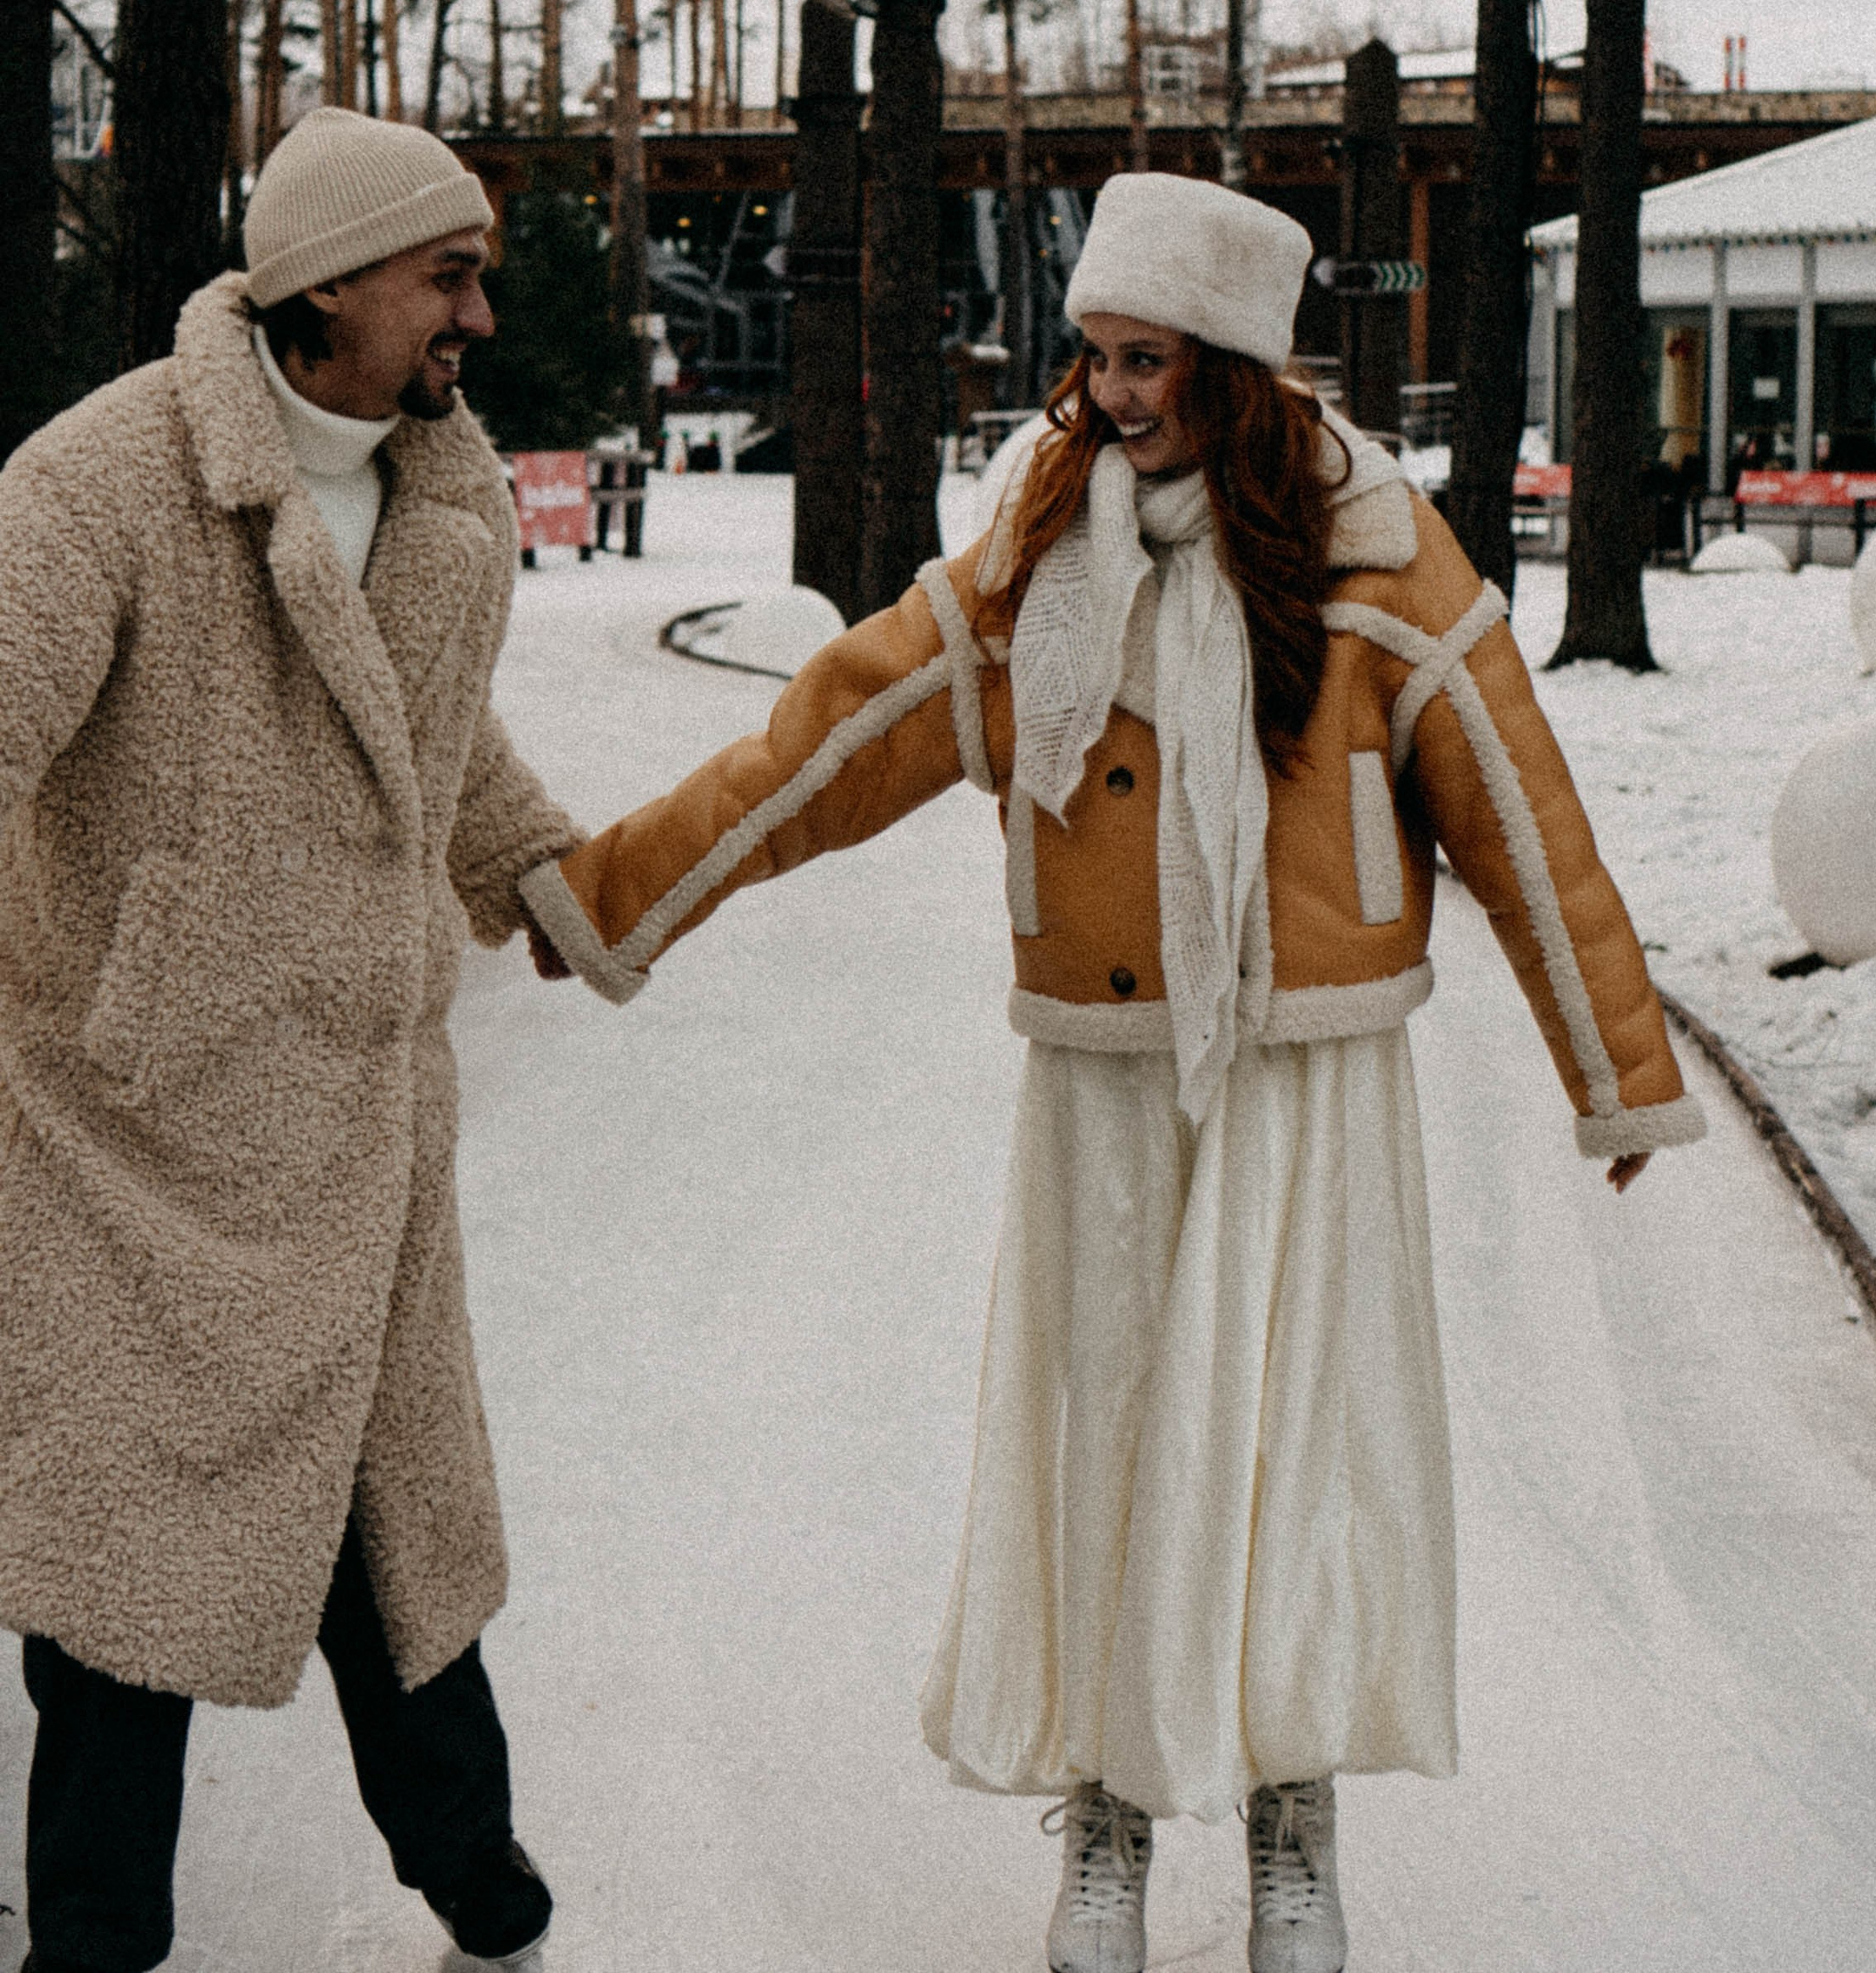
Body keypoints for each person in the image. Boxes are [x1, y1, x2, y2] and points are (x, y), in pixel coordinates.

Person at [524, 171, 1704, 1973]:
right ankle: (1107, 1822)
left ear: (1231, 367)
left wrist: (1615, 1069)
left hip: (1307, 1074)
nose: (1111, 394)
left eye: (1148, 360)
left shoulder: (1381, 553)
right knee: (1109, 1440)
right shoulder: (1035, 564)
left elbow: (1519, 811)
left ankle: (1294, 1814)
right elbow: (826, 745)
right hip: (1106, 1075)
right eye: (1096, 357)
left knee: (1303, 1451)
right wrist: (618, 893)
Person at [0, 107, 585, 1973]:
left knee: (391, 1551)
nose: (478, 316)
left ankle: (480, 1883)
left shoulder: (443, 493)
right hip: (141, 1146)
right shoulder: (102, 485)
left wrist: (541, 873)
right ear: (326, 285)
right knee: (124, 1594)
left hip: (366, 1129)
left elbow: (430, 736)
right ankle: (94, 1944)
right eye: (448, 276)